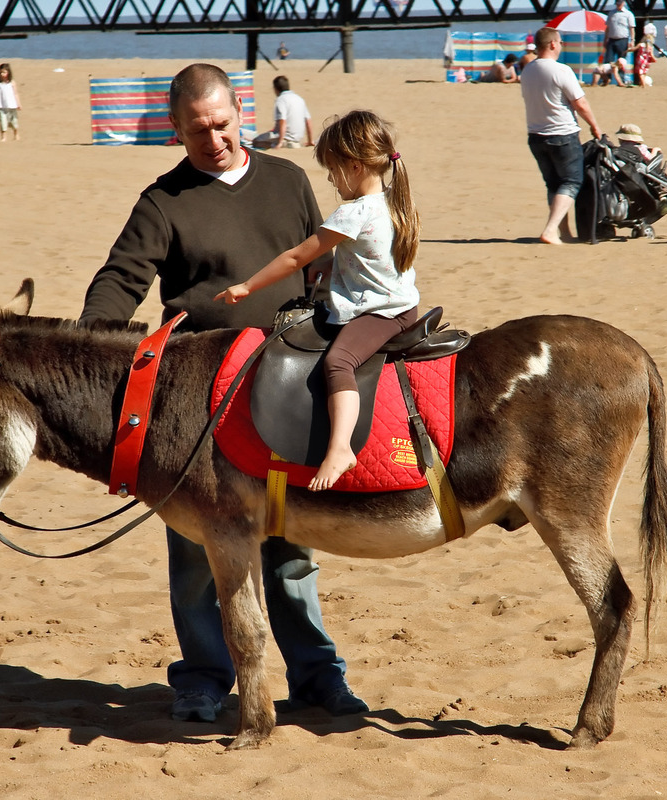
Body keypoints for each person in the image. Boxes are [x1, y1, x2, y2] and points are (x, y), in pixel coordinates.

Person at [78, 63, 368, 723]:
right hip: (198, 398)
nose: (213, 140)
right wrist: (93, 344)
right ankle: (204, 679)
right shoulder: (163, 201)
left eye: (221, 124)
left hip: (284, 384)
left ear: (240, 110)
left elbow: (322, 268)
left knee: (291, 545)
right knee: (195, 552)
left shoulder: (288, 180)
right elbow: (122, 277)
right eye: (197, 131)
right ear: (176, 130)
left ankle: (317, 677)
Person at [214, 110, 420, 491]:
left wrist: (247, 286)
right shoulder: (393, 200)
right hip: (401, 303)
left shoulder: (353, 213)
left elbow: (296, 257)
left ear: (355, 166)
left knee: (339, 363)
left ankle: (340, 448)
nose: (329, 179)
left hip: (381, 313)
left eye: (333, 169)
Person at [520, 26, 604, 244]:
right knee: (572, 181)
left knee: (554, 184)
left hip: (536, 135)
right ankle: (550, 230)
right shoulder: (560, 70)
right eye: (560, 42)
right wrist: (594, 125)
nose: (561, 46)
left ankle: (564, 232)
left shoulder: (528, 70)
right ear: (552, 44)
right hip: (562, 134)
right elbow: (580, 103)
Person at [252, 75, 314, 149]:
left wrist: (280, 142)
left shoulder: (281, 100)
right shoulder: (299, 99)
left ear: (275, 88)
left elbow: (282, 121)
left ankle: (280, 144)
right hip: (298, 138)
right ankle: (288, 143)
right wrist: (310, 141)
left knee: (256, 141)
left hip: (285, 137)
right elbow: (308, 121)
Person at [0, 62, 21, 142]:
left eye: (4, 72)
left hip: (11, 106)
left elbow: (16, 93)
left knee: (14, 122)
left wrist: (18, 103)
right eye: (1, 73)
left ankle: (16, 134)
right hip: (2, 106)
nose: (2, 74)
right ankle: (4, 137)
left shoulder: (12, 82)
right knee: (2, 122)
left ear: (8, 72)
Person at [603, 0, 635, 67]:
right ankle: (608, 73)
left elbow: (631, 28)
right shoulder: (611, 13)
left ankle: (620, 74)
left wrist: (632, 40)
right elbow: (608, 27)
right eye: (617, 3)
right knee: (608, 61)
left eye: (620, 3)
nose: (618, 5)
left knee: (621, 61)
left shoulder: (628, 14)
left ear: (623, 3)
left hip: (622, 40)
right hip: (611, 39)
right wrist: (605, 39)